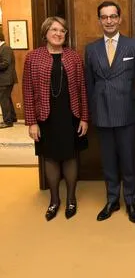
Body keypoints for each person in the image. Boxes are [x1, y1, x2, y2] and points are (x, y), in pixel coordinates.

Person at [85, 1, 135, 224]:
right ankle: (112, 199)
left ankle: (130, 200)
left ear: (120, 19)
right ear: (99, 21)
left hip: (128, 112)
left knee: (129, 158)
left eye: (113, 16)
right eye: (104, 17)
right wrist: (90, 112)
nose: (109, 21)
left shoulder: (132, 46)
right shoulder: (91, 49)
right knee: (109, 160)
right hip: (102, 113)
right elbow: (89, 84)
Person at [23, 17, 89, 221]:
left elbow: (82, 89)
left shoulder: (74, 57)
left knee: (70, 157)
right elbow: (27, 90)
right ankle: (54, 200)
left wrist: (84, 118)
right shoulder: (33, 57)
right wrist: (32, 121)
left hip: (70, 115)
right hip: (45, 116)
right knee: (50, 158)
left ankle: (70, 199)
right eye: (54, 29)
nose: (58, 33)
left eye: (62, 30)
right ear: (45, 33)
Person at [0, 31, 18, 128]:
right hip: (5, 79)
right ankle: (13, 117)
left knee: (3, 99)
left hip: (5, 79)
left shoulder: (5, 48)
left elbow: (5, 63)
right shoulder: (3, 48)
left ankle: (7, 121)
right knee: (7, 98)